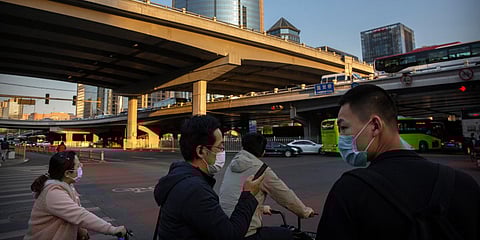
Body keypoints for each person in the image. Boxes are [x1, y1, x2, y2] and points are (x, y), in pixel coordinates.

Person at [315, 84, 480, 239]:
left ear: (375, 126)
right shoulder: (463, 183)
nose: (342, 138)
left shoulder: (349, 191)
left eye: (344, 128)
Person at [153, 115, 264, 240]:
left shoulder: (180, 177)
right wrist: (248, 195)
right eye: (220, 147)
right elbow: (231, 235)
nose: (222, 152)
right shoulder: (194, 190)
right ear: (201, 151)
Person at [220, 133, 314, 240]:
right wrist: (305, 212)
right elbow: (285, 196)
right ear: (262, 151)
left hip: (226, 229)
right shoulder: (261, 170)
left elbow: (234, 197)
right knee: (289, 234)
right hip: (246, 232)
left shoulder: (232, 165)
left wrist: (261, 208)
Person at [24, 151, 126, 240]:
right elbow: (80, 215)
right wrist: (112, 229)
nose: (81, 166)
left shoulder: (67, 185)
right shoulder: (53, 193)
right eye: (78, 165)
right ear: (67, 173)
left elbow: (72, 213)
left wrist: (80, 229)